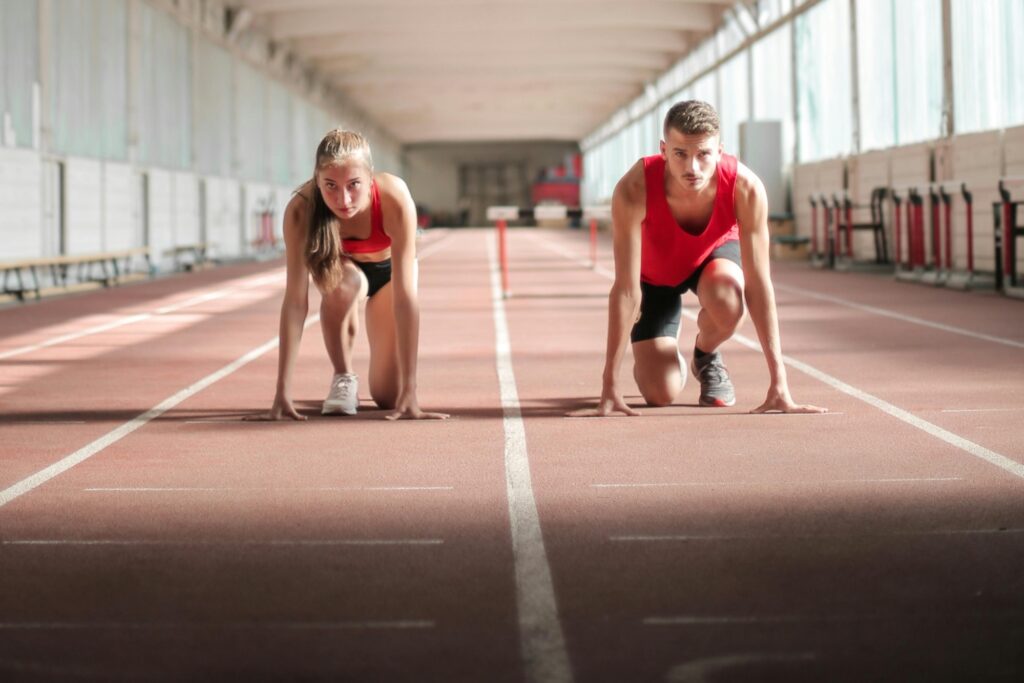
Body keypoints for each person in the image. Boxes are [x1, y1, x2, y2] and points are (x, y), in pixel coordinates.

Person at [572, 100, 825, 417]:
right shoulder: (633, 189)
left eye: (703, 154)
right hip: (655, 278)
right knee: (659, 393)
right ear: (664, 150)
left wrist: (780, 384)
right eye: (680, 154)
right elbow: (625, 289)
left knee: (729, 300)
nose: (692, 168)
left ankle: (705, 354)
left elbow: (759, 286)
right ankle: (665, 355)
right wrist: (609, 382)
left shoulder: (745, 188)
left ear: (720, 150)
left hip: (712, 259)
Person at [257, 129, 448, 421]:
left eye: (354, 185)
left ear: (370, 178)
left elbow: (406, 299)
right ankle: (343, 376)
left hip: (391, 276)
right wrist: (282, 392)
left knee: (388, 397)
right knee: (345, 282)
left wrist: (411, 390)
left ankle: (399, 387)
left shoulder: (394, 197)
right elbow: (295, 302)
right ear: (317, 181)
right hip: (344, 274)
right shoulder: (301, 209)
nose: (343, 199)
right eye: (330, 185)